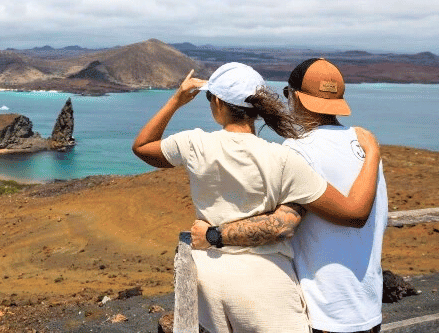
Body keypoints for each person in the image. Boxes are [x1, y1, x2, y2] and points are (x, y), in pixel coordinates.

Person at [132, 62, 381, 333]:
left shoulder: (194, 143)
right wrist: (373, 153)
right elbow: (353, 213)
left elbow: (143, 147)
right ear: (258, 109)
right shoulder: (284, 158)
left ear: (217, 102)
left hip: (208, 280)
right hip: (267, 285)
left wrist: (176, 100)